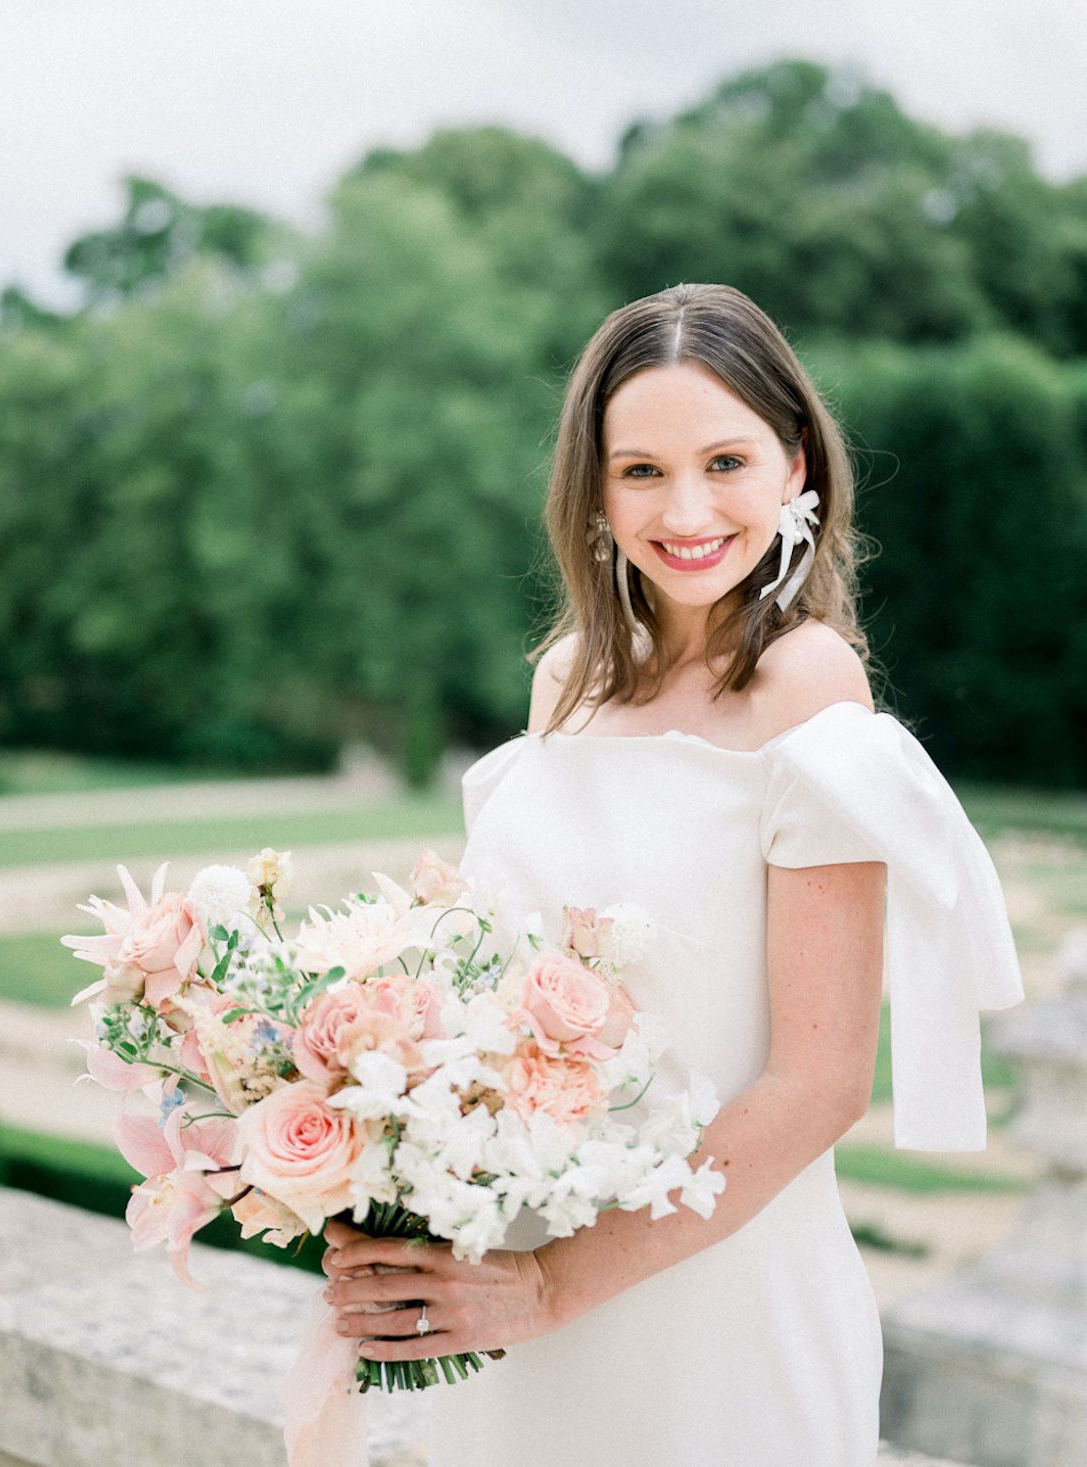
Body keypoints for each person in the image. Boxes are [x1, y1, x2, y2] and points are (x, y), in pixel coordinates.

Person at [320, 283, 1025, 1466]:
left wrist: (550, 1287)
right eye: (638, 469)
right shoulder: (564, 680)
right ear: (591, 488)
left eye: (725, 461)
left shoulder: (809, 692)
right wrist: (380, 1178)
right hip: (513, 1306)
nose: (684, 508)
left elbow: (817, 1084)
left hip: (710, 1307)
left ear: (795, 465)